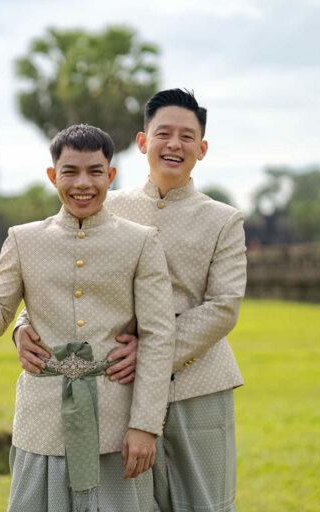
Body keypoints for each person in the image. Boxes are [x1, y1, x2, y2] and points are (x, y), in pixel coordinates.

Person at [15, 89, 247, 512]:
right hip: (117, 393)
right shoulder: (105, 205)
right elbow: (64, 273)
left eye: (186, 136)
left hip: (197, 389)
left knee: (203, 503)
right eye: (164, 134)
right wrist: (21, 326)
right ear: (143, 143)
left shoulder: (223, 219)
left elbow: (224, 305)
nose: (174, 144)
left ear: (202, 149)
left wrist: (155, 352)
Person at [0, 124, 175, 512]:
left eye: (94, 171)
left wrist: (145, 425)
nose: (82, 183)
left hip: (116, 427)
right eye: (70, 172)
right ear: (53, 176)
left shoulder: (142, 241)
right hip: (42, 424)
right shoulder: (23, 239)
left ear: (111, 175)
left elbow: (158, 336)